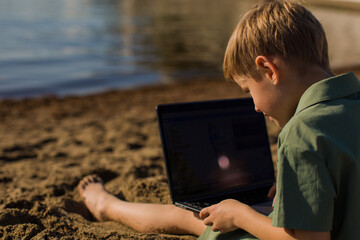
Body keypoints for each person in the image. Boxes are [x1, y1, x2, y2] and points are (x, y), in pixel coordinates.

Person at [78, 0, 360, 239]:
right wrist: (299, 189)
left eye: (249, 90)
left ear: (269, 70)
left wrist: (240, 214)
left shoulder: (301, 133)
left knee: (193, 217)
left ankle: (106, 206)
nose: (255, 106)